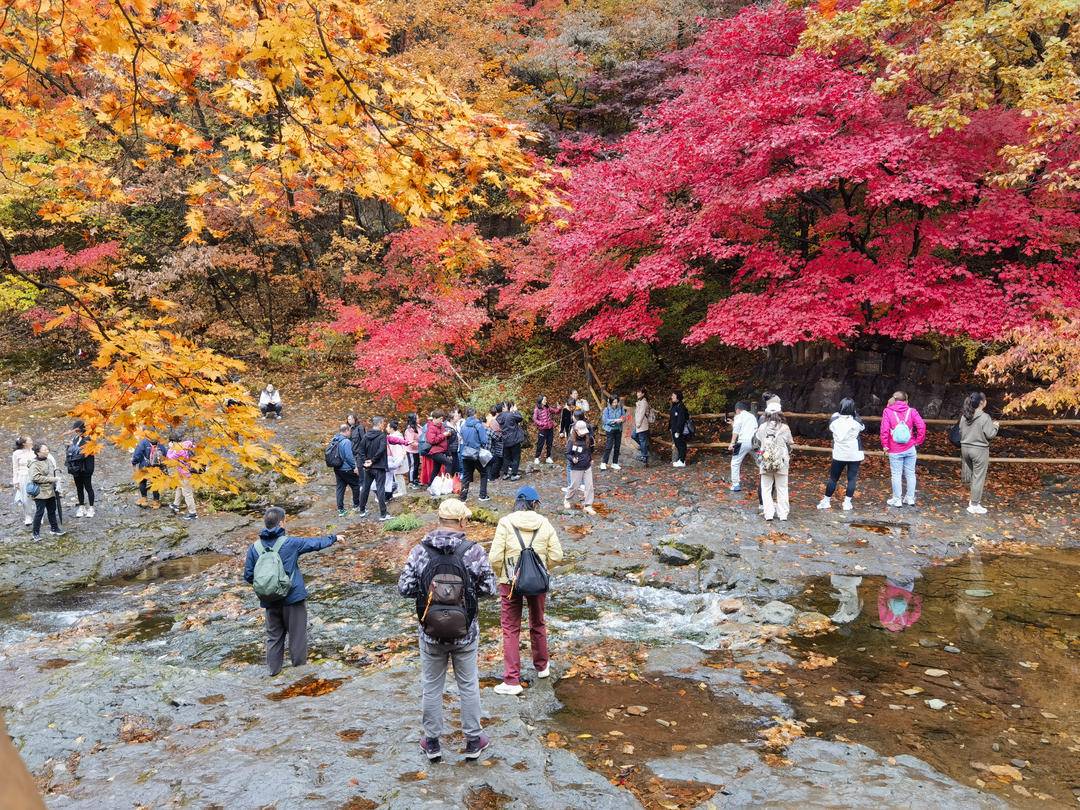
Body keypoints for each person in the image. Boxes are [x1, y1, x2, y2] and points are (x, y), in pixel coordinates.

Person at [397, 498, 496, 762]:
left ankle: (432, 743)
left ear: (439, 520)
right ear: (462, 521)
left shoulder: (420, 550)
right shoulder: (473, 551)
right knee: (468, 684)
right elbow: (489, 589)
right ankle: (474, 741)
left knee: (431, 686)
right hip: (466, 632)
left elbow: (404, 588)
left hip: (430, 632)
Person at [243, 506, 341, 675]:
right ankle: (299, 675)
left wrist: (268, 587)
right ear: (282, 523)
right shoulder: (290, 543)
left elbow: (248, 575)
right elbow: (314, 543)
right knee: (297, 637)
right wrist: (334, 538)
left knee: (273, 638)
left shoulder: (255, 548)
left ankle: (273, 674)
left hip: (269, 600)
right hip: (293, 599)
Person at [488, 485, 563, 695]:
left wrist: (503, 574)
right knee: (538, 622)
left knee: (510, 628)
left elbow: (494, 557)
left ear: (517, 503)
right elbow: (557, 556)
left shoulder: (505, 522)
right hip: (538, 583)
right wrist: (542, 569)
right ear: (535, 504)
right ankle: (542, 667)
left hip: (510, 582)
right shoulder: (545, 524)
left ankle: (512, 680)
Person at [817, 398, 865, 511]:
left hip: (839, 453)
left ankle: (826, 501)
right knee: (852, 479)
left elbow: (833, 421)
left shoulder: (834, 420)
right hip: (854, 453)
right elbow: (862, 427)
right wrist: (854, 413)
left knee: (833, 478)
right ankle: (847, 503)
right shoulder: (856, 421)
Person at [879, 391, 926, 507]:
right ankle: (910, 498)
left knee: (896, 474)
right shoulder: (912, 411)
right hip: (910, 447)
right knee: (910, 473)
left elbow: (884, 429)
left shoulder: (888, 411)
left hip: (894, 449)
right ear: (906, 400)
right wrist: (918, 441)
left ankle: (897, 499)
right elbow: (922, 426)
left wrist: (885, 444)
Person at [959, 392, 999, 515]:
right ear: (982, 402)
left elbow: (960, 431)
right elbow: (990, 434)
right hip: (979, 450)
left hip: (965, 449)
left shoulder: (964, 415)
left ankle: (973, 501)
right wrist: (996, 427)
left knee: (973, 477)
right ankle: (974, 505)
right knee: (978, 478)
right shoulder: (984, 417)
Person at [753, 402, 793, 521]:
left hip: (766, 461)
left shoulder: (762, 427)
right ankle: (783, 514)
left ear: (767, 413)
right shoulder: (785, 428)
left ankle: (768, 514)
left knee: (766, 488)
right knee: (782, 488)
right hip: (781, 462)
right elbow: (790, 442)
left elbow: (758, 441)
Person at [356, 416, 390, 520]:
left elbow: (360, 450)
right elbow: (381, 450)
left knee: (365, 488)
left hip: (368, 467)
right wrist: (372, 460)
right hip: (379, 466)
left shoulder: (366, 435)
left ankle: (362, 510)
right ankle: (383, 514)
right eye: (383, 423)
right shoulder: (382, 436)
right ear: (379, 424)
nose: (384, 425)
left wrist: (365, 461)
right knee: (380, 488)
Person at [28, 442, 64, 540]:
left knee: (52, 510)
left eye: (47, 449)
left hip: (50, 490)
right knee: (40, 512)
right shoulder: (34, 464)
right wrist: (53, 479)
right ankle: (35, 533)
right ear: (38, 452)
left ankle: (54, 528)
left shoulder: (48, 460)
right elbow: (36, 478)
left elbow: (50, 472)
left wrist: (56, 470)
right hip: (40, 492)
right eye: (44, 450)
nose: (47, 451)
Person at [563, 420, 596, 515]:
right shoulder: (571, 441)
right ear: (576, 431)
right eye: (580, 432)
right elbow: (567, 454)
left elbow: (590, 450)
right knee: (574, 486)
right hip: (576, 467)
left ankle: (588, 505)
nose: (582, 434)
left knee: (589, 486)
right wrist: (572, 458)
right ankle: (567, 499)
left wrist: (590, 459)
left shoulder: (588, 438)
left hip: (587, 466)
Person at [458, 408, 491, 503]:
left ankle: (463, 498)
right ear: (475, 415)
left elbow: (462, 437)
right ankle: (482, 495)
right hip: (476, 453)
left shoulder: (463, 426)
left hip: (465, 453)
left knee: (466, 476)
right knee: (484, 473)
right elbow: (484, 440)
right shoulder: (478, 425)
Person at [66, 419, 95, 519]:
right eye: (75, 430)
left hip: (86, 468)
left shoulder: (88, 439)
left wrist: (72, 447)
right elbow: (70, 453)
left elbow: (83, 453)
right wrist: (69, 447)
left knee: (88, 487)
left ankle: (91, 508)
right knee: (79, 488)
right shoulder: (74, 439)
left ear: (83, 429)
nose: (76, 432)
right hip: (76, 468)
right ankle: (81, 506)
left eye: (78, 430)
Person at [329, 424, 360, 516]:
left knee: (340, 488)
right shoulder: (346, 441)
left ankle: (341, 510)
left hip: (337, 468)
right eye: (349, 431)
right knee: (356, 485)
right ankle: (356, 505)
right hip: (346, 468)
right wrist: (354, 467)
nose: (350, 433)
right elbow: (349, 456)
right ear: (346, 431)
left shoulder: (334, 439)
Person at [166, 433, 198, 520]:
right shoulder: (187, 443)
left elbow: (169, 457)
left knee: (187, 493)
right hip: (186, 471)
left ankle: (193, 513)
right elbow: (194, 445)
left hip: (185, 473)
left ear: (172, 441)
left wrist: (170, 448)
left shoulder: (178, 450)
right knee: (179, 487)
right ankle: (176, 504)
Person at [728, 402, 757, 492]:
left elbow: (736, 430)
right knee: (760, 460)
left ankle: (736, 484)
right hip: (754, 442)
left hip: (742, 442)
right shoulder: (752, 416)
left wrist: (732, 443)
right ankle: (767, 479)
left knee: (735, 462)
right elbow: (746, 428)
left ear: (737, 410)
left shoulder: (738, 416)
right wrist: (733, 423)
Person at [131, 433, 164, 508]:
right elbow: (164, 453)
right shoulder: (160, 442)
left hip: (144, 466)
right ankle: (156, 501)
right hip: (157, 467)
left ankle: (144, 499)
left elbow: (137, 455)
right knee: (155, 483)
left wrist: (134, 463)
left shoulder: (143, 443)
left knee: (142, 481)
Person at [497, 401, 525, 481]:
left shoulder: (499, 417)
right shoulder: (510, 415)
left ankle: (505, 474)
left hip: (505, 440)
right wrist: (515, 410)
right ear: (503, 408)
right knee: (516, 457)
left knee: (506, 458)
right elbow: (520, 418)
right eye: (506, 406)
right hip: (514, 439)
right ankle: (514, 474)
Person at [12, 435, 35, 526]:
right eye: (29, 440)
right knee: (25, 496)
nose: (32, 441)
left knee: (37, 494)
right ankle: (28, 516)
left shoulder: (34, 451)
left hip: (34, 475)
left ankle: (38, 514)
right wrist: (15, 481)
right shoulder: (17, 453)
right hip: (23, 476)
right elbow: (15, 468)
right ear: (24, 443)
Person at [600, 395, 626, 471]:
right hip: (610, 430)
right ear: (610, 402)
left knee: (617, 446)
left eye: (616, 402)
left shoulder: (620, 408)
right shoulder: (606, 409)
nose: (615, 404)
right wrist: (614, 421)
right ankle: (603, 463)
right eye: (613, 402)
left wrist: (621, 420)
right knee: (609, 446)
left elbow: (624, 417)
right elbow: (605, 420)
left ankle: (615, 463)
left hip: (618, 429)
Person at [426, 410, 453, 479]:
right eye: (440, 418)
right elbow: (432, 440)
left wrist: (448, 434)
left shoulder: (441, 426)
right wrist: (444, 435)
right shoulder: (431, 427)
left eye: (442, 418)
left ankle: (430, 485)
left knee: (436, 469)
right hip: (435, 451)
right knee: (448, 463)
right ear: (434, 418)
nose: (442, 420)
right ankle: (447, 484)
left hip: (441, 450)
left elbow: (443, 436)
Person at [387, 419, 410, 498]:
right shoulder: (393, 436)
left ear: (391, 428)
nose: (386, 428)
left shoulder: (396, 436)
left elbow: (399, 450)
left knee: (398, 475)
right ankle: (400, 490)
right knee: (396, 475)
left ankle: (402, 491)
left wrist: (398, 461)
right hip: (397, 458)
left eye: (387, 426)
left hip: (398, 458)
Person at [532, 396, 557, 465]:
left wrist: (559, 408)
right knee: (540, 444)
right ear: (541, 400)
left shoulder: (547, 407)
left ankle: (548, 457)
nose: (546, 400)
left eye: (546, 399)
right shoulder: (537, 409)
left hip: (550, 428)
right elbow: (534, 419)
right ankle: (537, 457)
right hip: (542, 429)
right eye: (544, 399)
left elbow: (555, 411)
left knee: (549, 443)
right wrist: (541, 424)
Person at [669, 391, 690, 468]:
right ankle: (680, 459)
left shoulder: (681, 406)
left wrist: (678, 431)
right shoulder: (674, 405)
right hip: (674, 428)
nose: (672, 397)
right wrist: (670, 427)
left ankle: (682, 460)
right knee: (678, 444)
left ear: (678, 397)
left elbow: (681, 420)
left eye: (673, 396)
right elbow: (672, 418)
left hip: (679, 430)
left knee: (681, 444)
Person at [632, 389, 651, 465]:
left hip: (642, 424)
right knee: (634, 436)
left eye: (639, 392)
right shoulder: (640, 402)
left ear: (643, 394)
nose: (638, 393)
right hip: (639, 424)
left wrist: (638, 423)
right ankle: (645, 448)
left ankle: (644, 456)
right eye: (637, 392)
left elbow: (642, 414)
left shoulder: (643, 402)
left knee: (642, 439)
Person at [404, 413, 421, 487]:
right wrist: (420, 445)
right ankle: (411, 481)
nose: (419, 419)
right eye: (417, 418)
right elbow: (411, 442)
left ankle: (415, 479)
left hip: (417, 450)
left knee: (416, 465)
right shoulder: (409, 430)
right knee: (413, 465)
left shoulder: (419, 427)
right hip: (411, 451)